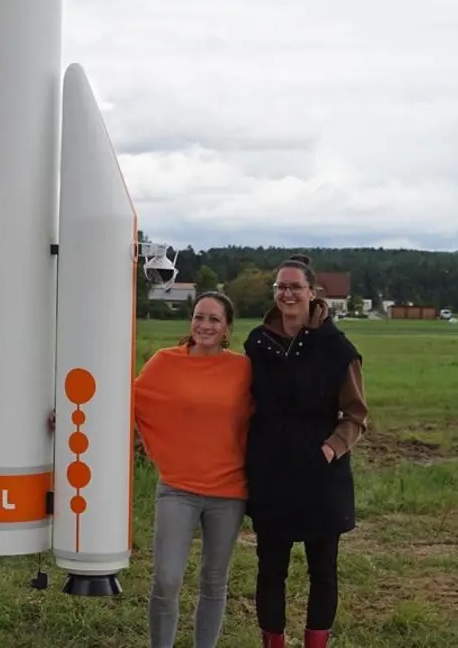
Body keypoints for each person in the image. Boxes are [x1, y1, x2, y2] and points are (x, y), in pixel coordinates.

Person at [242, 255, 369, 648]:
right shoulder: (257, 343)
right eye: (281, 286)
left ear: (312, 293)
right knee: (270, 570)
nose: (287, 293)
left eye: (295, 286)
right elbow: (241, 401)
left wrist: (330, 450)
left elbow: (355, 414)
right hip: (271, 472)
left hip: (320, 475)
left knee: (323, 571)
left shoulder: (336, 348)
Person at [132, 292, 253, 648]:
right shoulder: (164, 363)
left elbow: (271, 413)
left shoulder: (243, 369)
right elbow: (124, 400)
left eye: (215, 319)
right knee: (166, 580)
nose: (205, 325)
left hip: (229, 491)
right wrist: (71, 410)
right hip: (177, 488)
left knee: (214, 581)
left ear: (227, 328)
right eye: (200, 317)